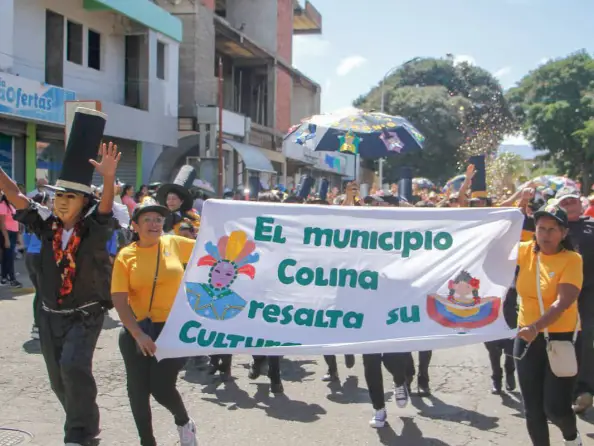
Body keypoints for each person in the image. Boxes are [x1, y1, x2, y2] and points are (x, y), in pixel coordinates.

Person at [2, 108, 118, 445]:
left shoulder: (95, 229)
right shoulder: (45, 224)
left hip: (86, 314)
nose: (62, 202)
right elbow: (16, 197)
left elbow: (107, 208)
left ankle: (80, 432)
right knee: (57, 379)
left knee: (73, 367)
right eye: (58, 196)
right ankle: (81, 421)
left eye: (71, 197)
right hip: (49, 314)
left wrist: (108, 178)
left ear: (85, 203)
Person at [111, 199, 198, 446]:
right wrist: (138, 334)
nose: (154, 223)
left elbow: (211, 248)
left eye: (158, 219)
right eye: (147, 219)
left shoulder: (174, 243)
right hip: (138, 331)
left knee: (161, 388)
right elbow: (119, 300)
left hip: (173, 331)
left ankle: (184, 423)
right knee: (137, 392)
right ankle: (147, 441)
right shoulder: (125, 256)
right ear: (135, 225)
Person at [514, 203, 583, 446]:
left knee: (555, 408)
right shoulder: (525, 251)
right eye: (541, 229)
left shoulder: (572, 260)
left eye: (552, 229)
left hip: (561, 337)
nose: (546, 235)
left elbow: (562, 302)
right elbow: (490, 239)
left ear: (564, 232)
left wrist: (536, 327)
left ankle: (572, 438)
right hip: (526, 339)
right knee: (532, 410)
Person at [24, 192, 51, 340]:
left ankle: (37, 326)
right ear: (43, 203)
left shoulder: (30, 219)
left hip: (30, 256)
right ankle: (39, 326)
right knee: (43, 293)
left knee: (39, 292)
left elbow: (26, 240)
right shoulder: (46, 216)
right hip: (40, 257)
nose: (52, 203)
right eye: (49, 200)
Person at [156, 166, 200, 235]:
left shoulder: (192, 218)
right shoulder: (161, 217)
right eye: (168, 199)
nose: (170, 201)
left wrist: (192, 228)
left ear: (181, 201)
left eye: (174, 198)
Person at [0, 192, 21, 287]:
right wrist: (6, 238)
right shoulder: (3, 205)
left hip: (13, 233)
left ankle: (4, 278)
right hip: (7, 233)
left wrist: (18, 236)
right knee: (10, 257)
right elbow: (2, 224)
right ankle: (12, 279)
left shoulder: (11, 205)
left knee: (6, 257)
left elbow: (16, 221)